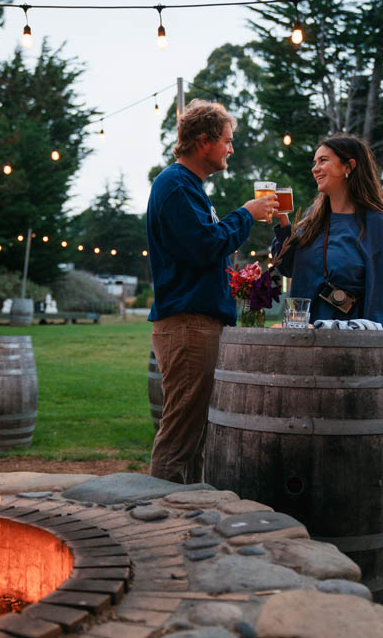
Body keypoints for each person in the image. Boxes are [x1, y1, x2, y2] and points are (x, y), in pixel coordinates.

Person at [147, 98, 277, 484]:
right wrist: (246, 214)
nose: (231, 148)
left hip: (198, 324)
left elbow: (203, 250)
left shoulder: (189, 187)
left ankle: (184, 524)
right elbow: (205, 244)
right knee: (179, 439)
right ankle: (157, 524)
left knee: (196, 436)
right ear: (204, 141)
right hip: (188, 326)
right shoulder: (175, 186)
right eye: (227, 140)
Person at [271, 133, 383, 346]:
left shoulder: (375, 222)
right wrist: (284, 223)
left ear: (348, 166)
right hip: (301, 335)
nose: (315, 168)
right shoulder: (314, 218)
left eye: (323, 160)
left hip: (345, 342)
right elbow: (285, 267)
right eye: (314, 162)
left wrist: (381, 351)